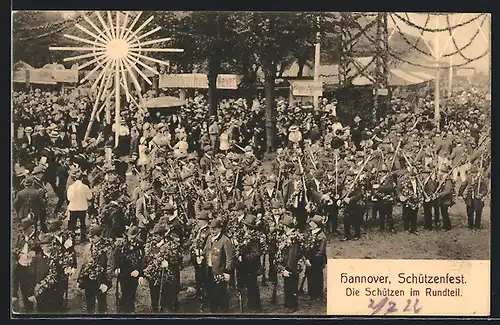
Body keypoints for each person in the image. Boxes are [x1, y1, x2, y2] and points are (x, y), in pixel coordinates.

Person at [143, 223, 183, 313]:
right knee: (155, 299)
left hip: (167, 278)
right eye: (153, 235)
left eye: (156, 235)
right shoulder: (150, 245)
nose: (154, 237)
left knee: (168, 301)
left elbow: (178, 258)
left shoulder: (172, 245)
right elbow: (146, 259)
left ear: (162, 235)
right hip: (153, 278)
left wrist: (168, 263)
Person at [76, 225, 114, 314]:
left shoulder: (107, 248)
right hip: (89, 280)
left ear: (100, 236)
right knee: (90, 302)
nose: (91, 240)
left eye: (93, 237)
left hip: (101, 280)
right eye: (90, 237)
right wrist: (80, 279)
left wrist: (106, 283)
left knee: (101, 303)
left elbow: (110, 266)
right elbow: (84, 264)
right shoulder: (88, 247)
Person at [203, 218, 234, 313]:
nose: (212, 231)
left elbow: (230, 257)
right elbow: (206, 250)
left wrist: (227, 271)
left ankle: (224, 311)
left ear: (220, 229)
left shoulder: (225, 240)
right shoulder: (209, 238)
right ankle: (213, 309)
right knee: (210, 289)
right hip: (209, 268)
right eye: (211, 229)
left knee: (221, 291)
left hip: (220, 270)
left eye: (215, 229)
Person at [47, 216, 77, 311]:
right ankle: (57, 302)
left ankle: (63, 302)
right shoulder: (51, 239)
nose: (54, 233)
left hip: (66, 265)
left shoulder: (67, 237)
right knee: (55, 284)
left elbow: (72, 252)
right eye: (53, 231)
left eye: (55, 231)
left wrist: (73, 266)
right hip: (55, 265)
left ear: (59, 229)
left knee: (64, 283)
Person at [29, 233, 65, 313]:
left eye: (51, 245)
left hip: (56, 292)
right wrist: (31, 293)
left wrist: (62, 291)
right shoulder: (36, 259)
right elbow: (31, 276)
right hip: (42, 293)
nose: (51, 247)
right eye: (48, 246)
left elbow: (61, 275)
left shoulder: (57, 257)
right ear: (42, 247)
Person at [113, 225, 145, 313]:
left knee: (132, 293)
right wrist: (116, 267)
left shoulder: (141, 244)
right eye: (130, 237)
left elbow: (143, 260)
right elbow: (115, 257)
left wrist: (139, 272)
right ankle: (124, 310)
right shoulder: (121, 244)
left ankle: (130, 311)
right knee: (124, 292)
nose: (132, 239)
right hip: (123, 272)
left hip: (134, 273)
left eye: (134, 237)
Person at [275, 214, 302, 312]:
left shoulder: (293, 238)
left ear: (286, 227)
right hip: (287, 265)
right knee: (288, 285)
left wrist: (287, 268)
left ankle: (292, 305)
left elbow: (292, 255)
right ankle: (288, 303)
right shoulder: (289, 235)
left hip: (291, 267)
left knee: (291, 285)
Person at [12, 217, 39, 313]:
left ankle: (31, 308)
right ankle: (26, 308)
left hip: (31, 268)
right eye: (22, 230)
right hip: (21, 265)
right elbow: (17, 247)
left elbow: (42, 252)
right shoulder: (21, 236)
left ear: (32, 227)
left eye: (25, 229)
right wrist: (16, 252)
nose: (23, 231)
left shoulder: (39, 237)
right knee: (23, 288)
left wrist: (35, 254)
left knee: (30, 290)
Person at [237, 214, 262, 312]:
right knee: (249, 284)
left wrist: (243, 257)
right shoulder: (246, 236)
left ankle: (255, 305)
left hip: (252, 266)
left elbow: (256, 254)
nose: (243, 227)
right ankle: (251, 303)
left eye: (244, 225)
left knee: (252, 285)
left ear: (248, 227)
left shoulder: (254, 239)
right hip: (246, 266)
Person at [189, 210, 211, 311]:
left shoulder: (208, 231)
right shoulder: (199, 230)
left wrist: (201, 255)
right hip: (196, 257)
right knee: (198, 276)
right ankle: (199, 293)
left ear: (204, 221)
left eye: (200, 220)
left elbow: (207, 246)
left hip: (203, 257)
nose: (198, 222)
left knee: (204, 277)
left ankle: (205, 297)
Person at [458, 166, 489, 230]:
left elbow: (485, 190)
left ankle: (477, 226)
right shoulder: (469, 178)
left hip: (478, 199)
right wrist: (460, 194)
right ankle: (470, 225)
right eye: (471, 173)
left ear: (476, 173)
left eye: (473, 173)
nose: (472, 174)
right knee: (469, 212)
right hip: (470, 198)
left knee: (478, 212)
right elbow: (463, 185)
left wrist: (481, 194)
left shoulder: (481, 179)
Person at [304, 215, 327, 301]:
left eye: (312, 223)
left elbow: (320, 252)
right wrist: (306, 258)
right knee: (310, 276)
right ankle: (311, 293)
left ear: (317, 225)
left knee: (317, 276)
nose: (310, 224)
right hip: (310, 259)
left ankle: (318, 294)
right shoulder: (311, 233)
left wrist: (311, 260)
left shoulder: (322, 236)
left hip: (317, 261)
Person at [67, 170, 93, 243]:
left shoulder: (71, 187)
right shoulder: (85, 187)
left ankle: (73, 238)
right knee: (82, 223)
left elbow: (69, 198)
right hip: (82, 208)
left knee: (73, 224)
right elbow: (90, 197)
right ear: (82, 178)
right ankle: (83, 238)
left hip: (73, 208)